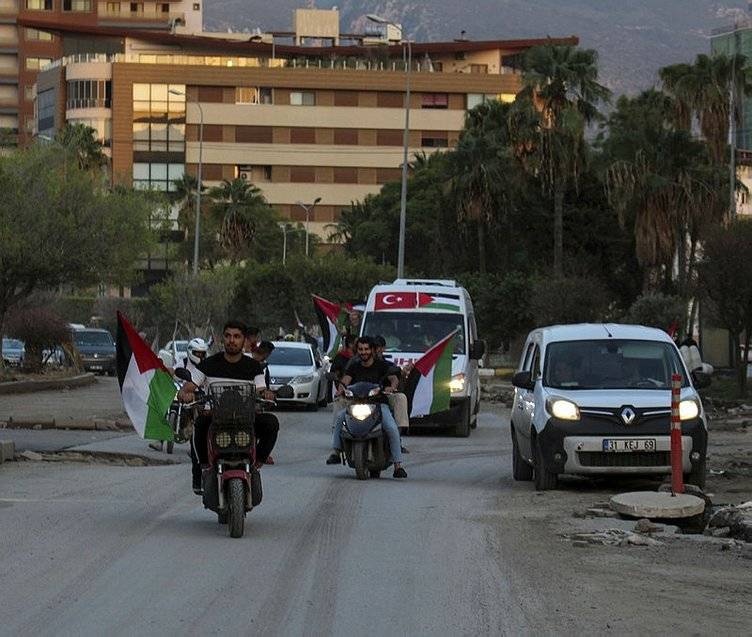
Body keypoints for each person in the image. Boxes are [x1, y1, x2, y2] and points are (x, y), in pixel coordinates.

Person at [179, 320, 279, 494]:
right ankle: (204, 468)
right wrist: (185, 394)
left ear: (244, 340)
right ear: (222, 339)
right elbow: (188, 387)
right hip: (215, 417)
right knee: (199, 425)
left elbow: (261, 389)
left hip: (245, 418)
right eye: (228, 336)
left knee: (271, 423)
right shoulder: (208, 364)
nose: (232, 340)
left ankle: (256, 464)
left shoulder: (253, 366)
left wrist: (267, 394)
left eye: (237, 336)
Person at [326, 336, 407, 479]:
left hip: (379, 404)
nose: (364, 352)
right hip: (356, 404)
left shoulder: (381, 365)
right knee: (340, 417)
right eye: (361, 349)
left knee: (391, 427)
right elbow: (345, 381)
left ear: (372, 350)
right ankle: (336, 452)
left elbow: (394, 378)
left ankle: (398, 465)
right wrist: (340, 389)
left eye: (366, 349)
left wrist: (391, 387)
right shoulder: (354, 366)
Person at [249, 340, 277, 465]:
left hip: (254, 405)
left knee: (269, 423)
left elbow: (263, 387)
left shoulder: (263, 367)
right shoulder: (247, 363)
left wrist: (267, 395)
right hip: (235, 407)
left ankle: (259, 457)